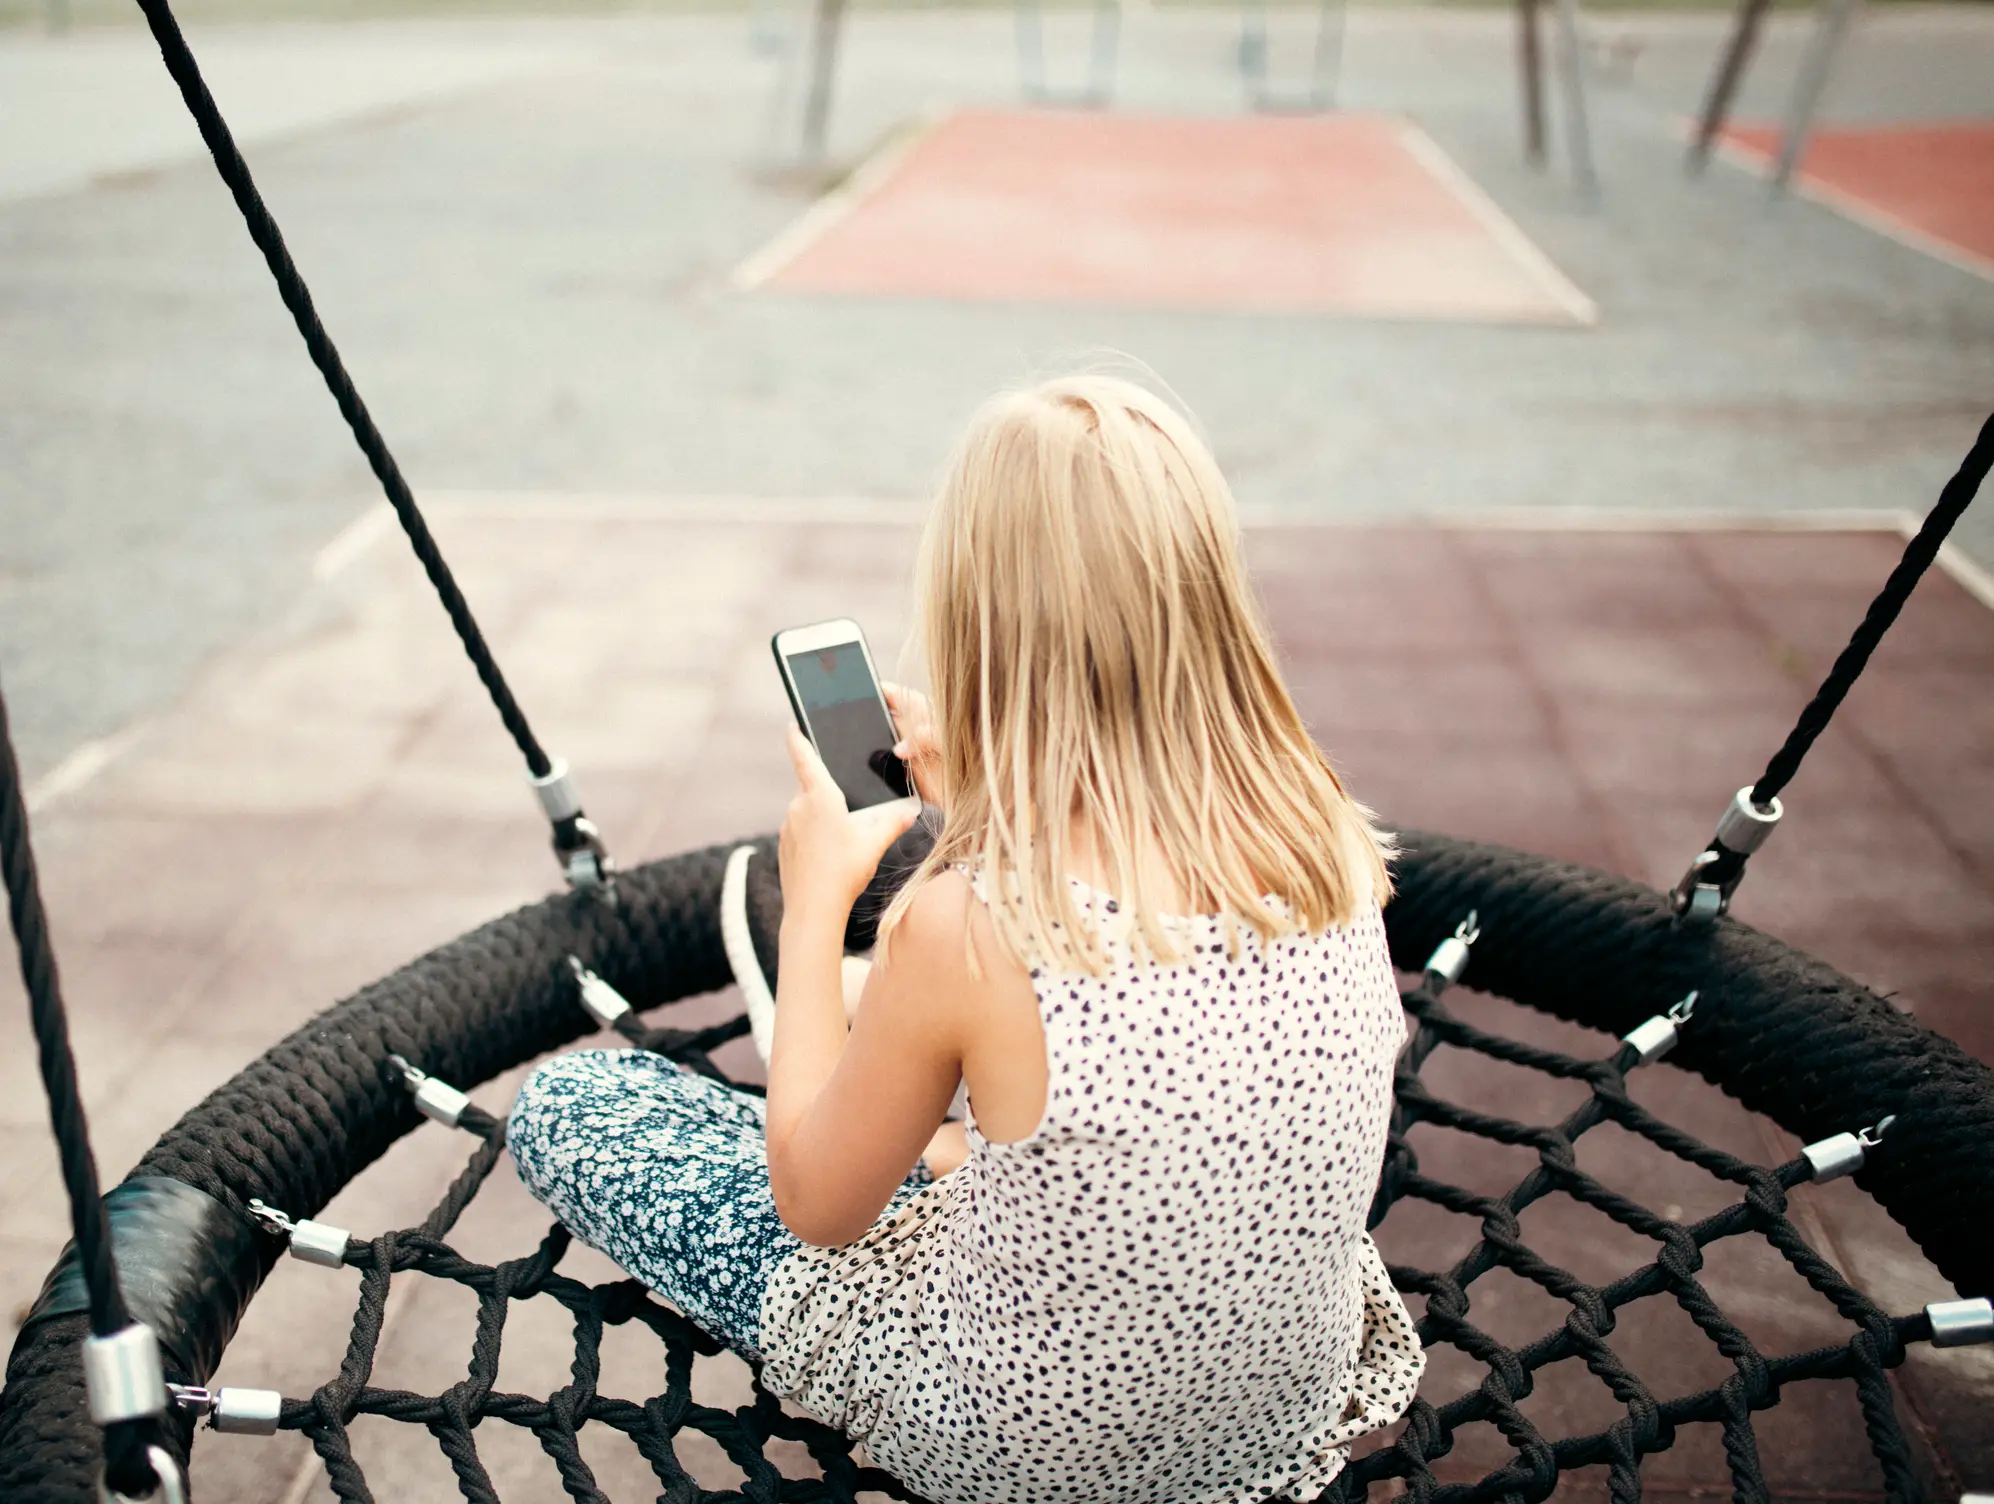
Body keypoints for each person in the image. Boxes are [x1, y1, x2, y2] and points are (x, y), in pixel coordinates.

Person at [508, 373, 1424, 1504]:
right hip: (1267, 1406)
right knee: (1004, 1117)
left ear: (974, 619)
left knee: (579, 1106)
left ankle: (853, 1047)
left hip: (1024, 1448)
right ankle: (940, 1128)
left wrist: (811, 904)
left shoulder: (972, 924)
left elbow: (817, 1212)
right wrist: (993, 780)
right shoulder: (1321, 829)